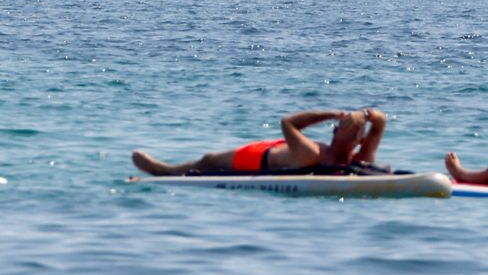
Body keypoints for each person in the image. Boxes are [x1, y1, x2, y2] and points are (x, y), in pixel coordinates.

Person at [132, 108, 387, 176]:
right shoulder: (358, 156)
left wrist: (332, 114)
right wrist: (367, 116)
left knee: (209, 160)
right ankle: (164, 171)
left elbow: (289, 122)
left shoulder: (317, 153)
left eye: (341, 126)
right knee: (207, 161)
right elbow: (380, 123)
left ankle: (164, 169)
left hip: (258, 159)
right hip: (271, 152)